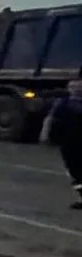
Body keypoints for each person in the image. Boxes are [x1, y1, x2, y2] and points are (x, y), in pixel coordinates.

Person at [40, 79, 82, 209]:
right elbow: (50, 118)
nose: (75, 89)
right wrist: (44, 134)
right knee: (73, 170)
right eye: (72, 87)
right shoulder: (62, 102)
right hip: (67, 141)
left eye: (78, 86)